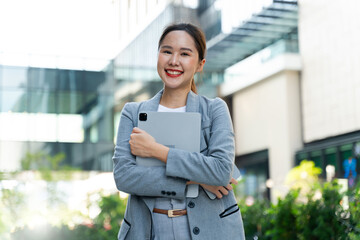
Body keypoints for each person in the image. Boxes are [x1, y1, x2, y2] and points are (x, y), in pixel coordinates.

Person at [112, 23, 245, 240]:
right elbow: (125, 178)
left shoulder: (214, 109)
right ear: (158, 56)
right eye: (167, 51)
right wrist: (195, 179)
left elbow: (221, 171)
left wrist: (157, 150)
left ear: (200, 64)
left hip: (211, 230)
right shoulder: (133, 113)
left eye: (185, 53)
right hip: (148, 230)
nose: (174, 61)